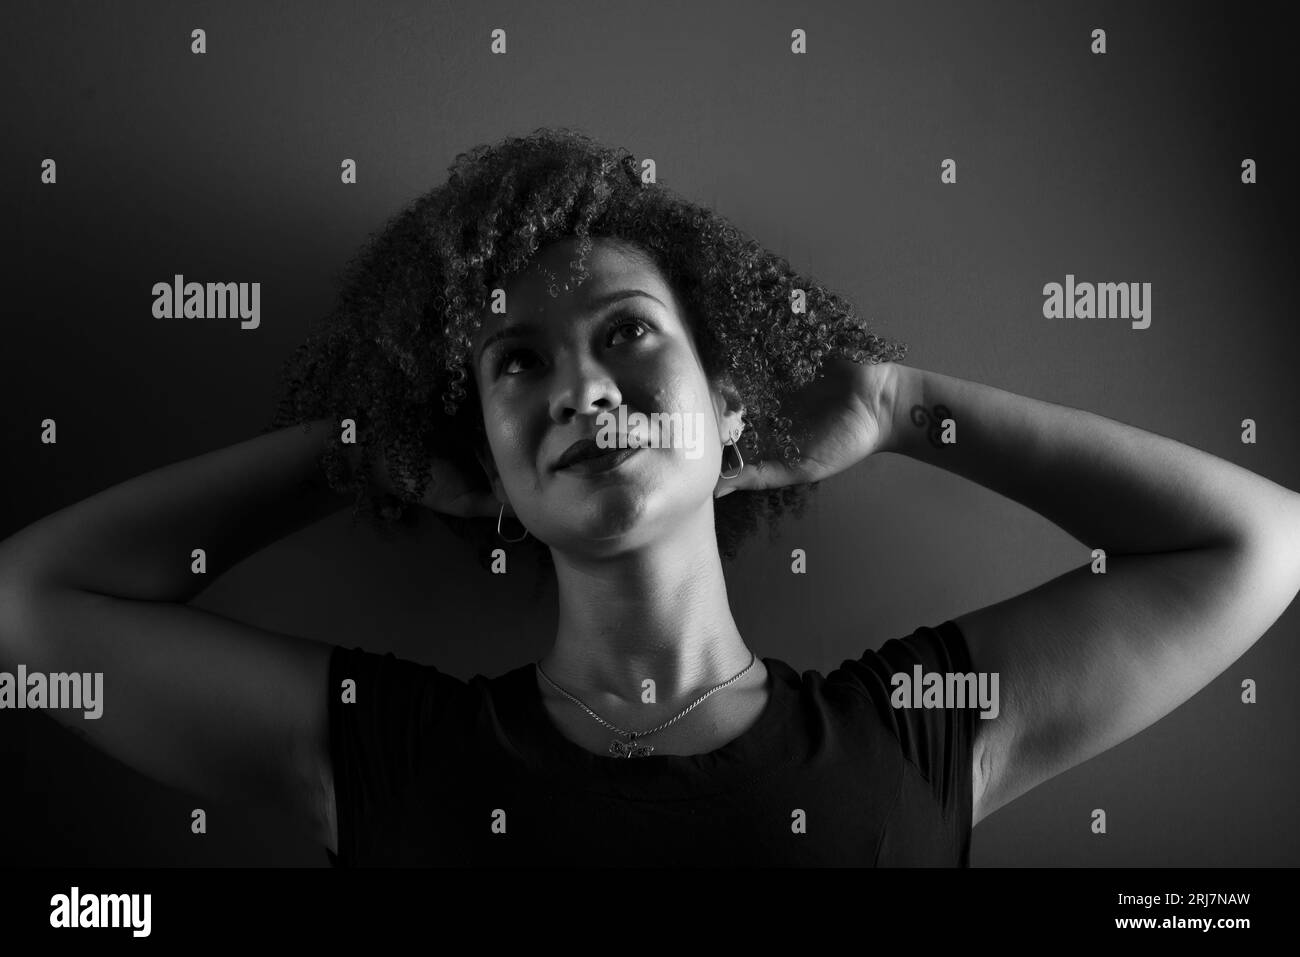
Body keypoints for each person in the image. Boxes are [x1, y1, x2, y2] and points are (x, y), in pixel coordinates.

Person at [1, 128, 1297, 867]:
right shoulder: (388, 755)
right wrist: (357, 450)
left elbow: (1261, 541)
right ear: (489, 458)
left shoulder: (918, 738)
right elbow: (33, 604)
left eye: (627, 334)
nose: (580, 390)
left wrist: (903, 408)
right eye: (519, 364)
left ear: (732, 399)